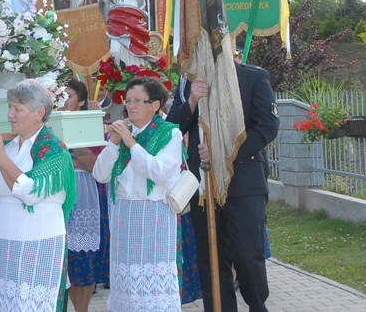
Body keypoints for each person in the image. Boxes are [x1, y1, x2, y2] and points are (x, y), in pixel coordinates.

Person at [166, 62, 279, 312]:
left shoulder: (253, 76)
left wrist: (225, 152)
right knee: (211, 260)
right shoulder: (189, 82)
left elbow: (267, 126)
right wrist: (192, 100)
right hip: (203, 186)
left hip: (244, 183)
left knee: (248, 255)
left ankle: (257, 306)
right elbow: (173, 128)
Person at [0, 79, 75, 311]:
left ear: (39, 113)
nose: (10, 115)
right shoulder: (8, 147)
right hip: (3, 240)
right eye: (10, 107)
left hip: (38, 240)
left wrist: (0, 158)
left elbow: (30, 194)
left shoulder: (55, 150)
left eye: (17, 109)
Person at [92, 77, 183, 311]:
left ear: (155, 105)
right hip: (124, 213)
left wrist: (131, 142)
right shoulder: (122, 132)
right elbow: (100, 175)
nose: (131, 106)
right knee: (126, 279)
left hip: (154, 214)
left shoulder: (169, 133)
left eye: (138, 101)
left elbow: (158, 172)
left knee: (152, 279)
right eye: (128, 100)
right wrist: (113, 142)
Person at [62, 80, 103, 312]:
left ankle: (82, 309)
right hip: (58, 192)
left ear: (82, 102)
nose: (64, 100)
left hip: (82, 192)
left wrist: (72, 135)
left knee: (83, 257)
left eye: (68, 95)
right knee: (65, 257)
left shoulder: (89, 123)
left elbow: (89, 163)